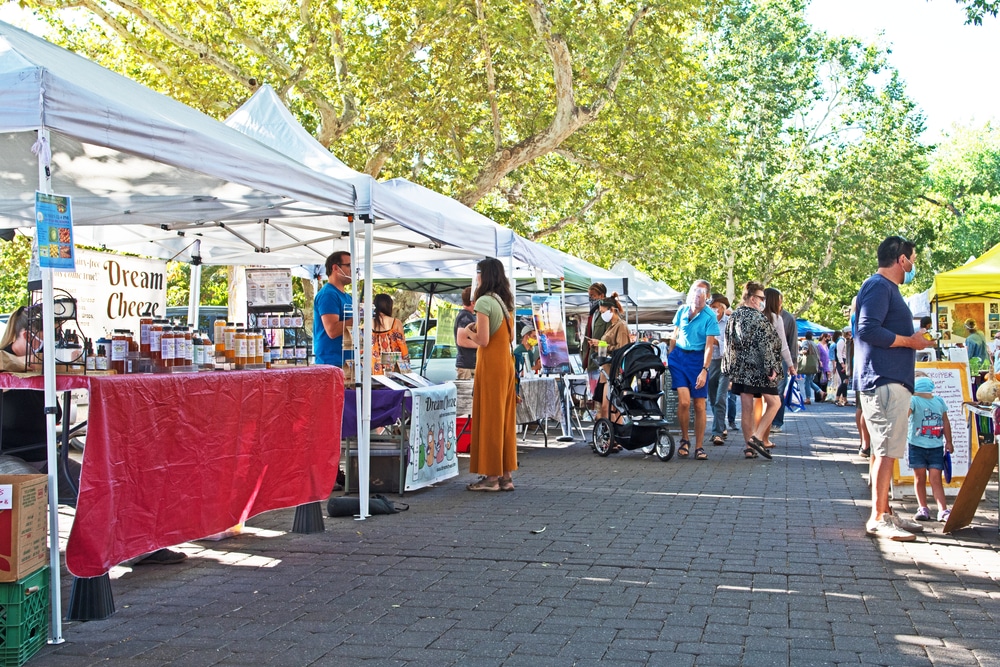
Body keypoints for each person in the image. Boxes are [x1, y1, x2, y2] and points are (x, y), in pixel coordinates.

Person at [856, 235, 934, 541]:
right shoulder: (878, 286)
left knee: (883, 451)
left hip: (887, 381)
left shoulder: (883, 288)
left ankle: (884, 511)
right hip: (885, 382)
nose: (913, 265)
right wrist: (910, 341)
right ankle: (878, 517)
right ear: (901, 259)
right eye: (912, 259)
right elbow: (868, 329)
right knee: (887, 451)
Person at [462, 258, 518, 492]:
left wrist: (468, 332)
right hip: (506, 363)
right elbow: (510, 336)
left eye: (477, 272)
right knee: (504, 419)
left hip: (491, 364)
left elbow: (483, 340)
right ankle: (505, 476)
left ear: (483, 274)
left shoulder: (484, 301)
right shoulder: (506, 301)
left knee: (490, 419)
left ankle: (492, 477)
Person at [721, 281, 780, 460]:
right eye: (762, 297)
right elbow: (765, 345)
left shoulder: (734, 316)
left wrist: (728, 368)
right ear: (753, 298)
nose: (763, 301)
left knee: (746, 408)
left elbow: (728, 344)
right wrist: (771, 366)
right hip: (758, 369)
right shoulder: (758, 318)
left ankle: (749, 447)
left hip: (740, 369)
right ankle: (757, 437)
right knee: (775, 403)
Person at [667, 279, 719, 460]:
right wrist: (670, 355)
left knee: (699, 404)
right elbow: (674, 334)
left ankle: (699, 446)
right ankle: (684, 439)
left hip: (698, 360)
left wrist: (705, 369)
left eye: (701, 294)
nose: (697, 297)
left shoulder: (709, 316)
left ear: (707, 297)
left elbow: (709, 346)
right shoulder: (682, 310)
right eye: (695, 293)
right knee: (684, 402)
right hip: (679, 358)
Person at [908, 376, 953, 523]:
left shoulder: (931, 401)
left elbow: (945, 421)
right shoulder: (916, 401)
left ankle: (939, 509)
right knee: (934, 479)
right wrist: (949, 442)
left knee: (922, 478)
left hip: (931, 447)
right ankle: (929, 508)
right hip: (922, 446)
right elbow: (946, 422)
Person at [589, 297, 630, 421]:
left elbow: (622, 348)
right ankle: (613, 436)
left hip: (615, 372)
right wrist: (598, 345)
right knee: (607, 406)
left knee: (611, 406)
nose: (602, 315)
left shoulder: (621, 326)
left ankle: (615, 436)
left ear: (612, 309)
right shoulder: (612, 326)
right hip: (607, 371)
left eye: (602, 312)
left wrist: (603, 345)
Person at [313, 251, 353, 367]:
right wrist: (357, 319)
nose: (352, 270)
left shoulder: (347, 297)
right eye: (349, 265)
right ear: (335, 267)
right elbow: (332, 330)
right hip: (331, 362)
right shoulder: (328, 294)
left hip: (346, 361)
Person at [766, 288, 797, 433]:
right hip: (764, 360)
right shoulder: (761, 316)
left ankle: (776, 422)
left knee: (778, 391)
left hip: (781, 360)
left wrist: (792, 364)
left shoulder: (787, 318)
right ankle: (763, 424)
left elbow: (789, 343)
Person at [706, 294, 731, 446]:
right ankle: (721, 425)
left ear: (722, 308)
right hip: (710, 363)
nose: (714, 309)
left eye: (716, 307)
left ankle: (717, 433)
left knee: (721, 397)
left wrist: (716, 341)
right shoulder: (706, 321)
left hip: (725, 362)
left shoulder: (729, 323)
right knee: (712, 397)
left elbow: (731, 344)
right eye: (711, 307)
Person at [371, 293, 409, 375]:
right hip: (393, 368)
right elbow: (403, 346)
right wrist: (406, 367)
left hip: (375, 368)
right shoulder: (396, 322)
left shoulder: (368, 323)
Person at [581, 283, 609, 387]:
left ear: (602, 296)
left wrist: (599, 344)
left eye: (593, 295)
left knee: (600, 398)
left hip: (601, 363)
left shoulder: (607, 315)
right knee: (593, 397)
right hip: (591, 362)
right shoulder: (593, 314)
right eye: (590, 295)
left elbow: (610, 338)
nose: (591, 298)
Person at [454, 287, 478, 380]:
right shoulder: (465, 316)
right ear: (472, 302)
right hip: (466, 365)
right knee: (466, 393)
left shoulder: (469, 315)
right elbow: (461, 340)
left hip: (469, 364)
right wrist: (481, 345)